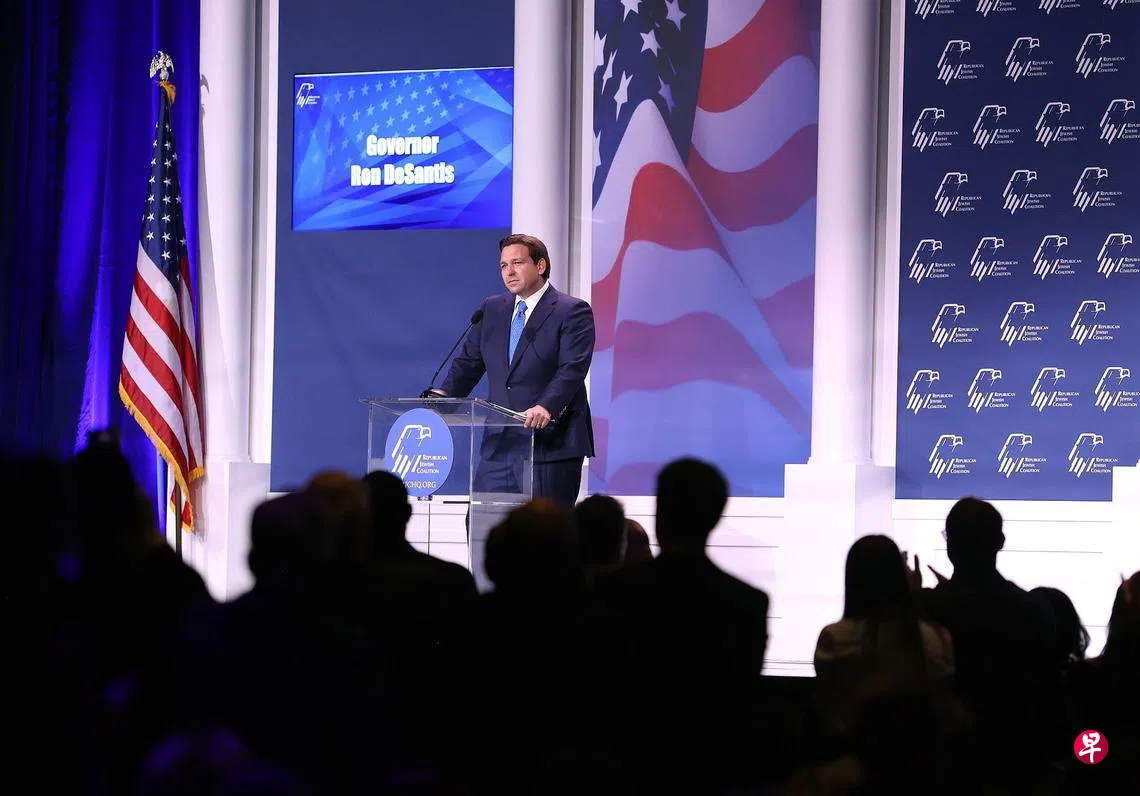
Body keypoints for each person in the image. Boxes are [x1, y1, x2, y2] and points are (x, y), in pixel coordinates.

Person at [429, 233, 595, 508]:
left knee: (545, 527)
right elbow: (469, 363)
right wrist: (442, 400)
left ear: (540, 266)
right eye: (504, 266)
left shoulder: (572, 311)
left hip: (550, 443)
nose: (509, 272)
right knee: (484, 525)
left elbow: (572, 368)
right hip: (500, 445)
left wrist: (546, 406)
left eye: (517, 263)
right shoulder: (492, 309)